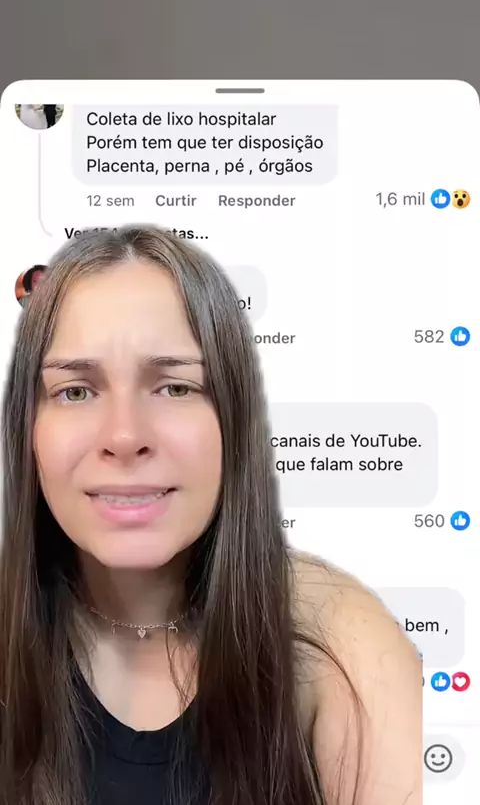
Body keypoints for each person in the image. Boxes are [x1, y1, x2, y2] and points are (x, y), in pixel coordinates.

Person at [0, 226, 421, 805]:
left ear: (233, 418)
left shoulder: (339, 637)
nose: (123, 436)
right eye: (76, 391)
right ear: (27, 430)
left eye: (174, 388)